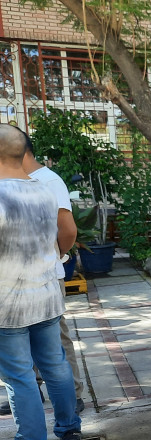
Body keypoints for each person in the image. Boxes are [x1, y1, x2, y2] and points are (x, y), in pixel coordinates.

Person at [0, 124, 82, 440]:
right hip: (46, 294)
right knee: (55, 365)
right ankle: (70, 430)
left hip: (8, 303)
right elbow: (62, 236)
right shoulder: (45, 190)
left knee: (19, 377)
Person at [20, 129, 85, 415]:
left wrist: (55, 254)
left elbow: (68, 230)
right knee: (20, 336)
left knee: (55, 338)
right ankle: (29, 391)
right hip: (15, 278)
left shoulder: (48, 181)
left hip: (46, 276)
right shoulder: (13, 181)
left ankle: (74, 393)